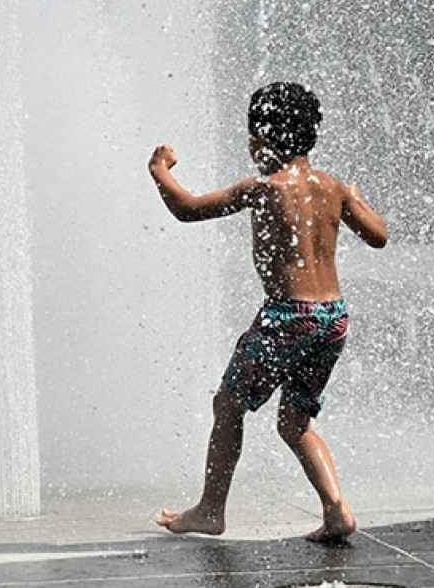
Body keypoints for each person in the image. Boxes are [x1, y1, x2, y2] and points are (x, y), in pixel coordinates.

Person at [148, 81, 389, 543]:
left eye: (250, 138)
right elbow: (379, 236)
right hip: (332, 318)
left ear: (261, 139)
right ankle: (336, 511)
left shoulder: (264, 189)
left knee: (228, 405)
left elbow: (186, 209)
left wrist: (160, 170)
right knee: (295, 423)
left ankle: (210, 510)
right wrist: (356, 199)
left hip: (287, 319)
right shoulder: (335, 188)